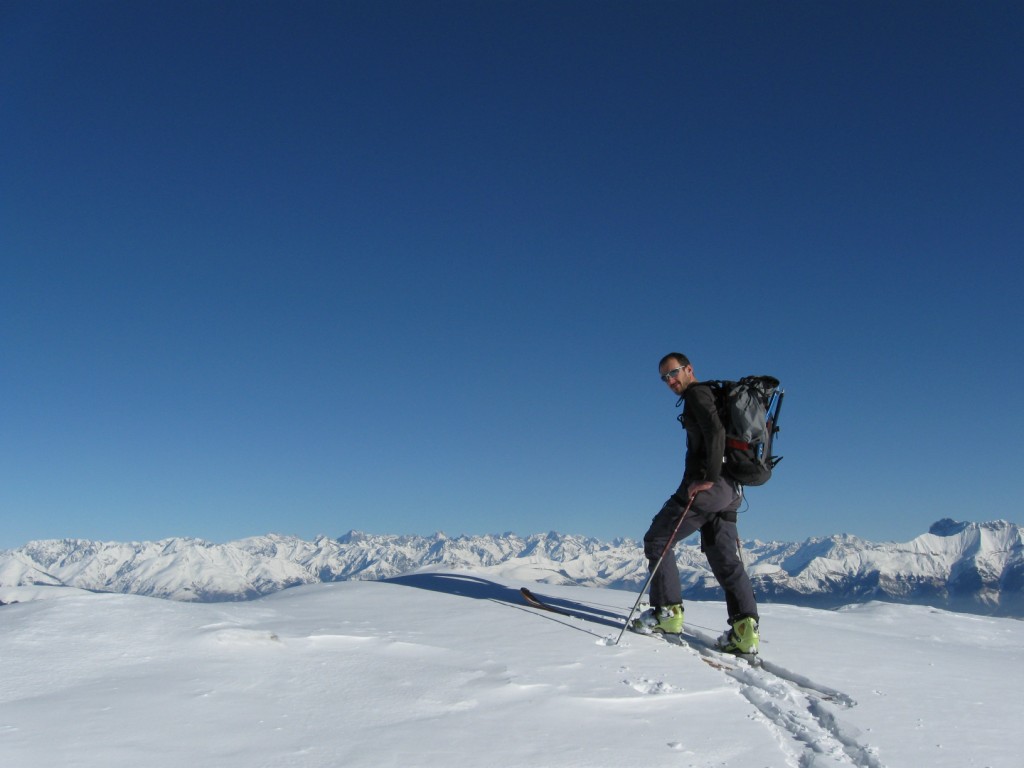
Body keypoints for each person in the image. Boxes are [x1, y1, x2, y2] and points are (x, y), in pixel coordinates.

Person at [631, 352, 760, 655]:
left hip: (709, 488)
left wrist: (708, 478)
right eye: (664, 378)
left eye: (674, 373)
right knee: (724, 557)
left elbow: (714, 432)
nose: (670, 381)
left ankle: (667, 614)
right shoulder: (714, 395)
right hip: (732, 490)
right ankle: (744, 633)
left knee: (658, 539)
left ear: (689, 369)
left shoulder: (698, 395)